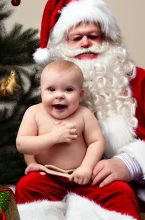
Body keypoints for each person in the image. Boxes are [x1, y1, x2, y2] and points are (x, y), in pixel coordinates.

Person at [15, 0, 145, 220]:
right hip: (52, 182)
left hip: (119, 191)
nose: (86, 43)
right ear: (61, 46)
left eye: (94, 36)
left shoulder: (142, 82)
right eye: (76, 38)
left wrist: (129, 164)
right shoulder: (44, 96)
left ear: (109, 40)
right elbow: (26, 140)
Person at [16, 60, 107, 217]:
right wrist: (51, 139)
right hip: (47, 176)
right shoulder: (34, 112)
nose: (59, 95)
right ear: (41, 92)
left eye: (69, 89)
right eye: (51, 89)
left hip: (81, 178)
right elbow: (23, 143)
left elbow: (96, 142)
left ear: (81, 94)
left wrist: (86, 167)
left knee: (120, 189)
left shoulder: (84, 114)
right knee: (25, 186)